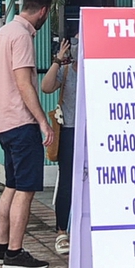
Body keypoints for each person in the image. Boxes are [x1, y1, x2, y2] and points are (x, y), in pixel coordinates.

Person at [0, 0, 55, 268]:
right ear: (43, 11)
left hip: (2, 122)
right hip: (20, 122)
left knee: (12, 186)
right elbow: (24, 83)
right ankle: (15, 253)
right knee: (26, 190)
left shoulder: (5, 31)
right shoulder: (23, 36)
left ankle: (0, 246)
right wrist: (42, 120)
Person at [40, 27, 78, 255]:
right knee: (67, 182)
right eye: (74, 42)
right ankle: (61, 231)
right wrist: (58, 60)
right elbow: (45, 87)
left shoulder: (98, 70)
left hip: (92, 132)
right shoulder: (65, 72)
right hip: (70, 131)